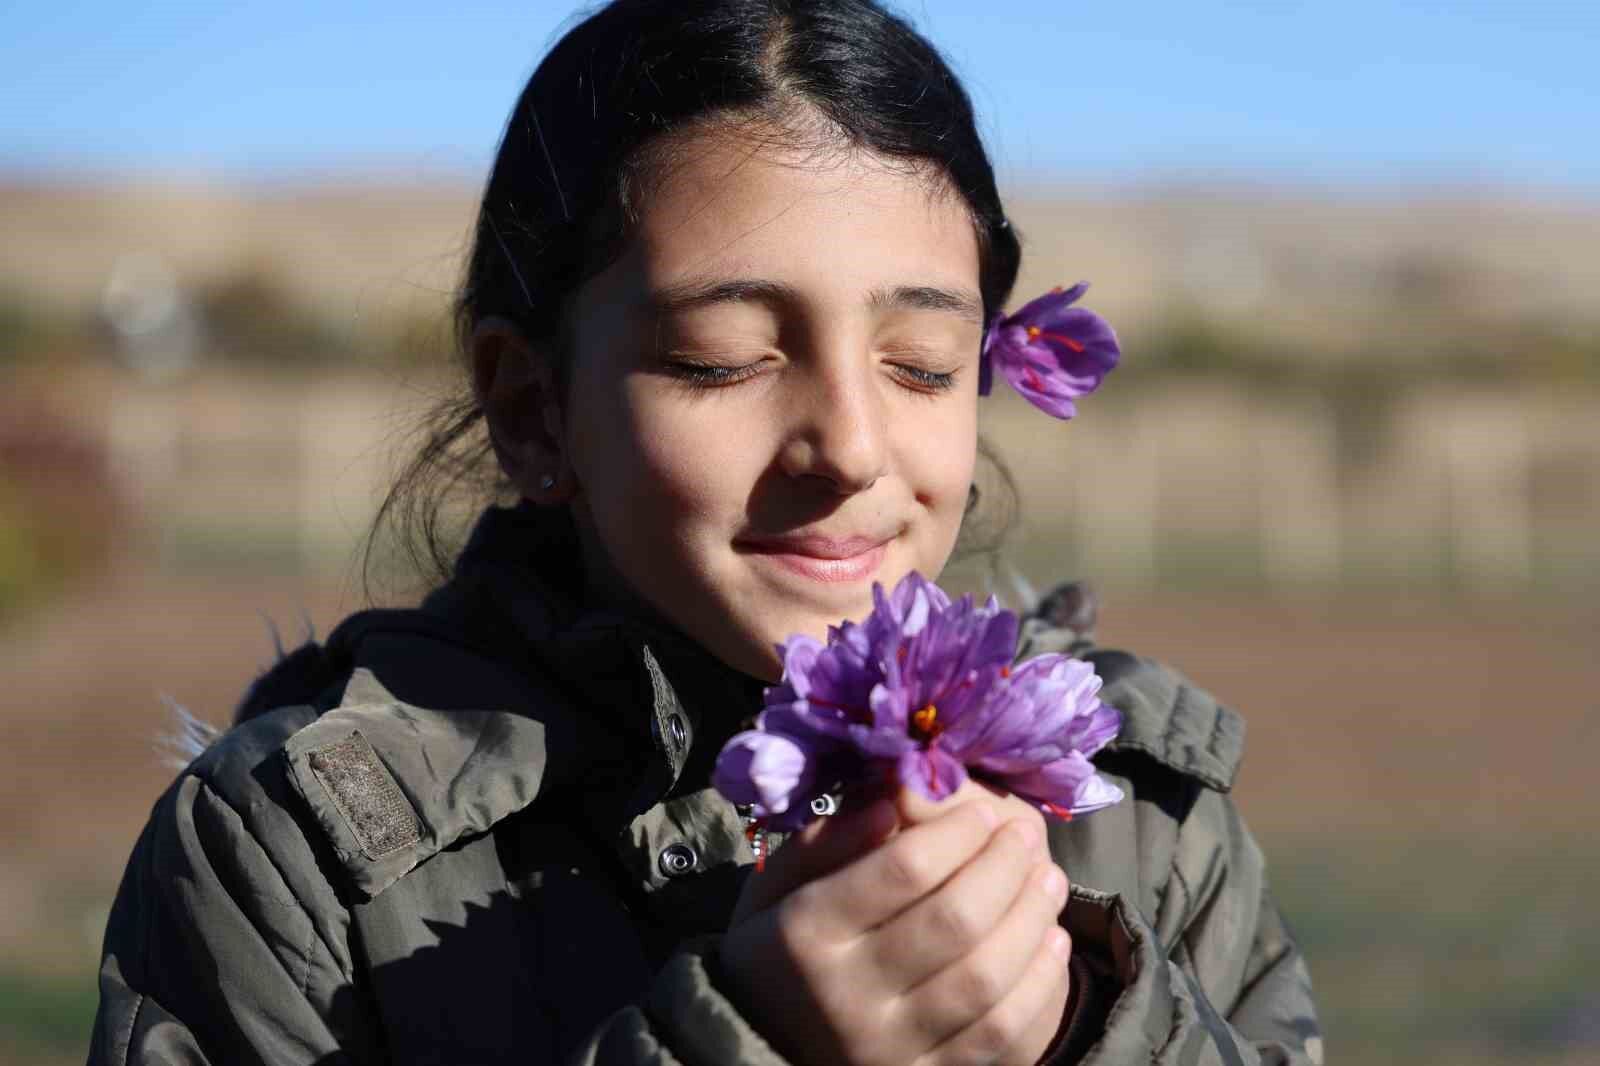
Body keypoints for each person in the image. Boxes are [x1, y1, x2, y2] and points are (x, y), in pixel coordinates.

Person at [89, 1, 1322, 1063]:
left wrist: (1089, 1019)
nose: (847, 443)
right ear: (533, 409)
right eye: (720, 360)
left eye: (921, 363)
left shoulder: (1137, 815)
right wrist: (752, 1037)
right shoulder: (297, 858)